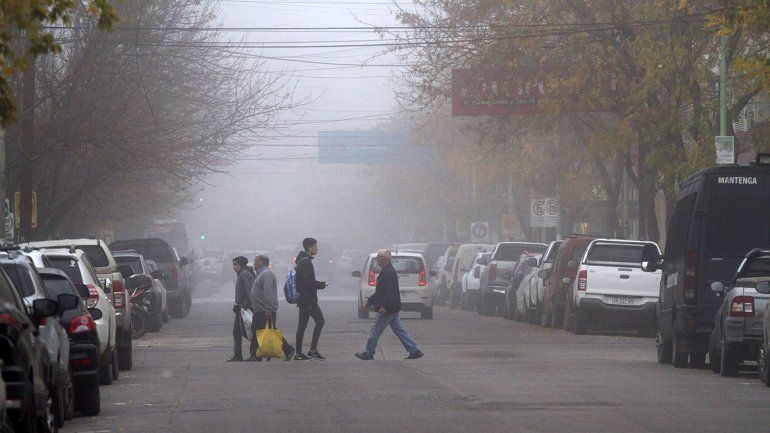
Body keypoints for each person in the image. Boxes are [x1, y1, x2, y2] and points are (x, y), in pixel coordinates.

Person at [356, 250, 424, 361]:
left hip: (388, 308)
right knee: (400, 331)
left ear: (385, 259)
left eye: (379, 257)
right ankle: (414, 350)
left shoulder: (388, 272)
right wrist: (370, 301)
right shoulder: (386, 271)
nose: (377, 259)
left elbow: (389, 292)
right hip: (392, 307)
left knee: (376, 330)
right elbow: (380, 291)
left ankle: (369, 353)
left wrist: (385, 307)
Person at [248, 254, 295, 362]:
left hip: (264, 310)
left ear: (261, 262)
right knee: (258, 331)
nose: (254, 264)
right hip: (260, 309)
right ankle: (256, 355)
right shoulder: (261, 274)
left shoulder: (267, 274)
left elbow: (268, 292)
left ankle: (288, 349)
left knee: (268, 331)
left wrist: (269, 308)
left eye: (255, 261)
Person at [294, 237, 327, 360]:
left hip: (311, 300)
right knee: (302, 326)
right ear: (309, 247)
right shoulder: (306, 262)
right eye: (315, 246)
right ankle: (298, 353)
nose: (317, 249)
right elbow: (307, 282)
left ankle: (313, 350)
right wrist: (321, 285)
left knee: (320, 321)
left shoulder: (304, 260)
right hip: (306, 300)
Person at [228, 256, 255, 362]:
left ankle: (255, 353)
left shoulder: (244, 275)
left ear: (241, 265)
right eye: (233, 264)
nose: (234, 267)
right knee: (237, 332)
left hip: (244, 308)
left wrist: (244, 304)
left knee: (248, 332)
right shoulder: (242, 274)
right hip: (240, 307)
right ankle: (238, 355)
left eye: (236, 264)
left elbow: (249, 292)